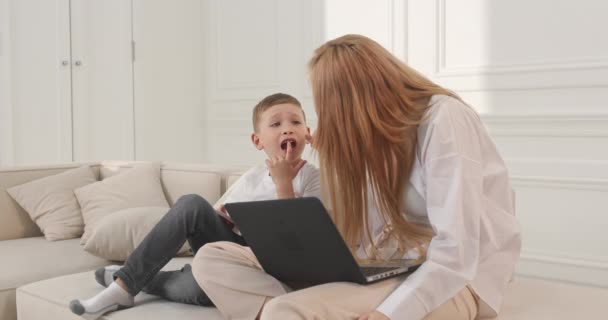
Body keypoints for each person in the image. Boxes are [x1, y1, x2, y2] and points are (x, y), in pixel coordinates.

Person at [191, 34, 522, 320]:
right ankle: (309, 302)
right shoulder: (378, 137)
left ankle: (298, 307)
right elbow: (368, 234)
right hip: (389, 264)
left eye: (330, 104)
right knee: (210, 259)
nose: (328, 116)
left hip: (455, 278)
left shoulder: (444, 120)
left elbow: (456, 253)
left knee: (284, 312)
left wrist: (389, 314)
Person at [69, 93, 321, 320]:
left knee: (197, 290)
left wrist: (283, 183)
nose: (287, 130)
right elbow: (214, 214)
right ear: (257, 140)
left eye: (295, 123)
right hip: (230, 253)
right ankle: (123, 288)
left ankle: (131, 277)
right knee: (192, 204)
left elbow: (295, 248)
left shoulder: (313, 177)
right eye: (276, 124)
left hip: (266, 269)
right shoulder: (252, 176)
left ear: (307, 133)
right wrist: (225, 217)